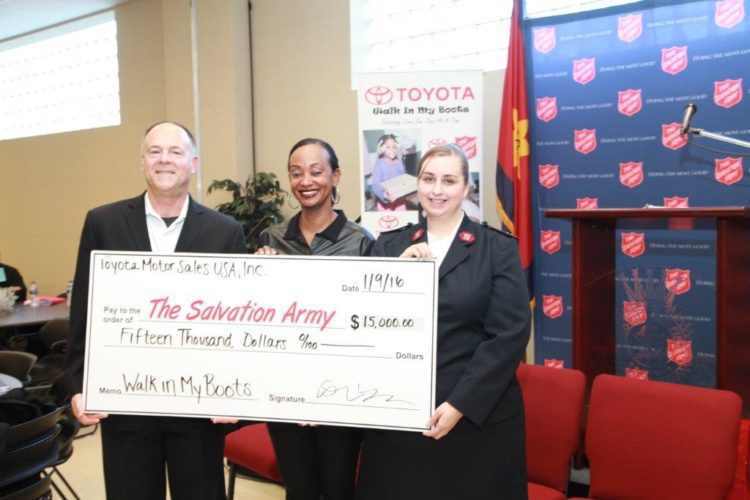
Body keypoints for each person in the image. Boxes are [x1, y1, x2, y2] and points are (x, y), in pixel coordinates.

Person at [63, 121, 247, 500]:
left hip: (199, 406)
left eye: (176, 152)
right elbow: (84, 309)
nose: (165, 159)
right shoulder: (103, 223)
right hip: (125, 403)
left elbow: (238, 320)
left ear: (193, 162)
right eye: (155, 151)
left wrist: (236, 391)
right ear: (142, 161)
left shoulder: (225, 231)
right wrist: (79, 385)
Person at [356, 144, 531, 499]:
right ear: (417, 183)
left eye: (449, 181)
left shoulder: (496, 249)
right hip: (399, 422)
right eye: (429, 179)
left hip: (475, 422)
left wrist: (460, 405)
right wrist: (396, 276)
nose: (437, 190)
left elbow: (509, 335)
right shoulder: (389, 247)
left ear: (466, 187)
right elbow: (366, 326)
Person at [255, 138, 374, 500]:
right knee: (298, 488)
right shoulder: (272, 238)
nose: (306, 181)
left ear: (335, 177)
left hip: (341, 388)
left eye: (316, 171)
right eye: (296, 173)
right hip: (285, 386)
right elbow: (257, 316)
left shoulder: (361, 242)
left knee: (339, 489)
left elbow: (370, 321)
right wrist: (257, 277)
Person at [370, 134, 407, 211]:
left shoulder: (400, 163)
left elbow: (403, 179)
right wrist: (384, 195)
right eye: (388, 147)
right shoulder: (378, 165)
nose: (392, 149)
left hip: (399, 199)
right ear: (381, 149)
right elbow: (375, 185)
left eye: (394, 146)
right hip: (384, 203)